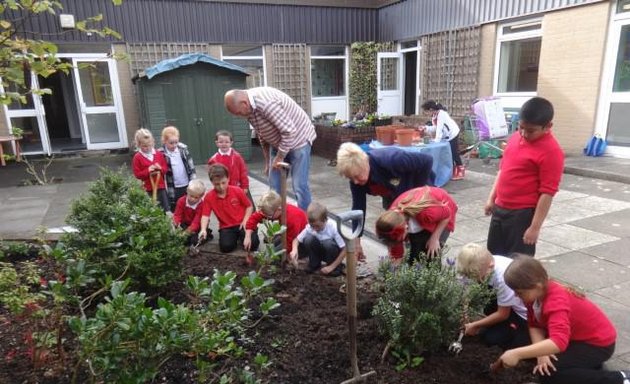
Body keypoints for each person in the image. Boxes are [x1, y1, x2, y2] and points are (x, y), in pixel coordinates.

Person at [495, 255, 629, 384]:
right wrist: (541, 355)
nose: (515, 296)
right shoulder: (533, 296)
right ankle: (589, 367)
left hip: (598, 344)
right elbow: (534, 325)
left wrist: (517, 354)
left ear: (537, 286)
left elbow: (559, 342)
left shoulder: (556, 301)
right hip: (574, 338)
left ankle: (619, 378)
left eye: (519, 292)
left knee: (550, 374)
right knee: (536, 357)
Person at [484, 97, 564, 257]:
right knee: (493, 258)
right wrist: (491, 198)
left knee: (517, 265)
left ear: (548, 126)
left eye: (531, 130)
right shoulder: (515, 138)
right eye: (521, 127)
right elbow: (502, 171)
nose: (524, 133)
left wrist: (534, 228)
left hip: (522, 215)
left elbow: (547, 193)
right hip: (500, 208)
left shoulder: (552, 152)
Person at [336, 142, 434, 261]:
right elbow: (358, 208)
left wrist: (416, 193)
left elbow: (427, 160)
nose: (355, 182)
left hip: (418, 190)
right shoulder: (356, 179)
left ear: (364, 163)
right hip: (393, 193)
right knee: (392, 227)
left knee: (418, 231)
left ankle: (420, 259)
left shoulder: (392, 160)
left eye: (356, 176)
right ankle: (396, 261)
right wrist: (357, 241)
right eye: (351, 178)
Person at [224, 87, 317, 211]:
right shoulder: (249, 110)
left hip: (299, 139)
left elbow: (289, 132)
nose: (241, 116)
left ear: (244, 103)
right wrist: (268, 160)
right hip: (279, 142)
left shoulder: (266, 103)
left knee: (299, 185)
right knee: (274, 186)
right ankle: (277, 220)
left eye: (239, 113)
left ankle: (305, 222)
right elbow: (262, 134)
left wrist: (279, 157)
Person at [456, 243, 530, 350]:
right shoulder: (478, 265)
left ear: (490, 266)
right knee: (488, 311)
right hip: (507, 303)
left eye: (478, 277)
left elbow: (503, 314)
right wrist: (465, 315)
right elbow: (465, 292)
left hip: (524, 315)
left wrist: (476, 325)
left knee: (492, 339)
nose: (474, 279)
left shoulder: (504, 277)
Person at [375, 186, 457, 265]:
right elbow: (395, 247)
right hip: (420, 216)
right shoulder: (391, 219)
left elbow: (447, 214)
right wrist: (394, 268)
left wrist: (435, 238)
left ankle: (432, 272)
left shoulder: (427, 214)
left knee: (430, 252)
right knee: (415, 253)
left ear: (406, 227)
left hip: (443, 212)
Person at [198, 164, 258, 253]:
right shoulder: (209, 196)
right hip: (226, 226)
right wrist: (203, 229)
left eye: (223, 182)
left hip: (242, 223)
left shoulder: (237, 190)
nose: (221, 187)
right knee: (226, 248)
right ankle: (237, 237)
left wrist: (245, 221)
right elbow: (205, 215)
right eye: (217, 184)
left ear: (228, 179)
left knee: (253, 245)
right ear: (212, 182)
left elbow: (249, 207)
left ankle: (247, 234)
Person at [244, 190, 307, 260]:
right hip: (287, 234)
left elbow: (291, 242)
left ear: (279, 210)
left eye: (268, 215)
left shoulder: (291, 218)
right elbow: (254, 218)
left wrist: (275, 254)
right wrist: (248, 236)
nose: (266, 216)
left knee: (271, 256)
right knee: (271, 243)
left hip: (300, 240)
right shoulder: (271, 210)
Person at [291, 202, 346, 276]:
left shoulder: (333, 227)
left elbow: (345, 249)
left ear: (325, 220)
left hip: (332, 254)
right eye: (312, 226)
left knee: (328, 243)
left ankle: (335, 268)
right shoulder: (310, 227)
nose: (315, 229)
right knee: (308, 239)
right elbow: (296, 240)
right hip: (321, 252)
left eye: (317, 226)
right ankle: (314, 264)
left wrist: (331, 267)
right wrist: (294, 250)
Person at [207, 129, 253, 206]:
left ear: (231, 143)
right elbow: (213, 177)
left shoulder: (237, 157)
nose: (224, 144)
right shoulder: (213, 159)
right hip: (223, 189)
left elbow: (243, 172)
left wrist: (245, 186)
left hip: (238, 188)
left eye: (226, 142)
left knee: (244, 207)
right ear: (216, 143)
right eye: (221, 142)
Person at [420, 100, 464, 180]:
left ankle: (461, 171)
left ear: (430, 109)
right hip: (446, 135)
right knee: (449, 154)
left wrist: (436, 141)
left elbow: (439, 129)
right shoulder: (434, 116)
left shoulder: (441, 114)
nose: (425, 113)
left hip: (452, 133)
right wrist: (426, 128)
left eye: (426, 111)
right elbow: (436, 128)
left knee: (453, 152)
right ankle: (453, 171)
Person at [132, 128, 170, 213]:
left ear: (153, 142)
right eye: (144, 146)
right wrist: (148, 170)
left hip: (160, 187)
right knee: (151, 210)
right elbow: (137, 174)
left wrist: (160, 168)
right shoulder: (137, 157)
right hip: (147, 188)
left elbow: (165, 169)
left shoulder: (158, 154)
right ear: (138, 144)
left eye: (150, 145)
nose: (148, 148)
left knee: (164, 210)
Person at [159, 126, 196, 211]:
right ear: (164, 141)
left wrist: (193, 182)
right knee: (175, 206)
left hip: (186, 183)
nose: (174, 145)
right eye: (171, 143)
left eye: (176, 142)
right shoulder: (161, 153)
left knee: (188, 205)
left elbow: (191, 167)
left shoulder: (183, 149)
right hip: (173, 186)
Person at [172, 179, 206, 247]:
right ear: (187, 192)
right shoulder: (181, 201)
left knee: (193, 241)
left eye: (196, 197)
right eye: (191, 196)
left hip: (196, 226)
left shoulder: (201, 205)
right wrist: (175, 224)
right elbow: (177, 215)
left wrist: (187, 232)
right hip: (184, 223)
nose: (193, 199)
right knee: (179, 237)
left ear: (201, 196)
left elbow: (196, 222)